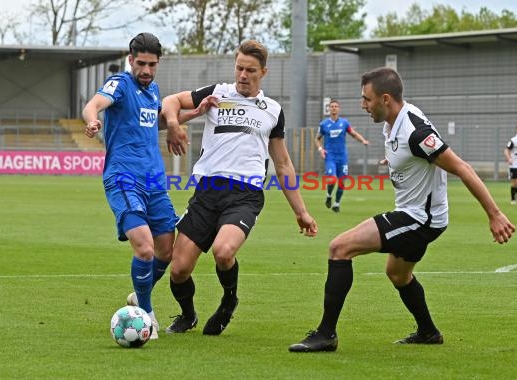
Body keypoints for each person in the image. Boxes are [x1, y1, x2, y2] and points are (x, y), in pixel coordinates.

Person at [289, 67, 516, 352]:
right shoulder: (394, 121)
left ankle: (326, 334)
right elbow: (410, 154)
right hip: (416, 213)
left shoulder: (414, 132)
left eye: (366, 99)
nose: (362, 105)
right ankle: (428, 332)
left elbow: (462, 168)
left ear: (385, 99)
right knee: (397, 274)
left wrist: (494, 214)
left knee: (339, 248)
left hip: (420, 218)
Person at [161, 39, 318, 336]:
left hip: (244, 194)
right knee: (179, 269)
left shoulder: (272, 110)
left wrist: (302, 212)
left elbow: (282, 164)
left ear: (264, 72)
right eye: (239, 68)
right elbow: (170, 101)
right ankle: (188, 314)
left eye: (250, 71)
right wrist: (174, 123)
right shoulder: (216, 93)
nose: (243, 75)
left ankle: (228, 301)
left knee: (223, 251)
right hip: (207, 191)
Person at [82, 32, 204, 340]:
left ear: (158, 63)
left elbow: (157, 122)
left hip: (154, 181)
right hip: (123, 177)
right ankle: (147, 314)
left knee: (166, 250)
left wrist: (194, 114)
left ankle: (139, 295)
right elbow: (94, 104)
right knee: (146, 248)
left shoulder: (154, 92)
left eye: (151, 64)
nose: (145, 70)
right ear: (130, 59)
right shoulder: (121, 85)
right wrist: (93, 120)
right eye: (140, 64)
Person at [315, 99, 369, 212]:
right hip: (330, 157)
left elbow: (353, 134)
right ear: (329, 109)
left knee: (342, 181)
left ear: (339, 109)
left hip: (342, 157)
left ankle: (336, 204)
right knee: (333, 179)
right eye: (332, 106)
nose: (334, 108)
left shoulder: (344, 123)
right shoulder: (324, 124)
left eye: (336, 106)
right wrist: (320, 149)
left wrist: (363, 140)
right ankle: (329, 195)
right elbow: (317, 139)